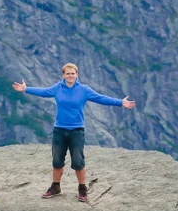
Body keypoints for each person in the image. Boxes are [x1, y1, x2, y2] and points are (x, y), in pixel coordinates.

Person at [12, 63, 135, 202]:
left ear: (77, 74)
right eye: (67, 73)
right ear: (63, 75)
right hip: (59, 130)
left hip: (77, 131)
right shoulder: (57, 88)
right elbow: (43, 92)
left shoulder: (84, 90)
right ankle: (55, 187)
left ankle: (82, 189)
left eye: (73, 73)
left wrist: (120, 102)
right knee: (57, 161)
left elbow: (101, 98)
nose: (70, 76)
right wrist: (26, 89)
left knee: (78, 161)